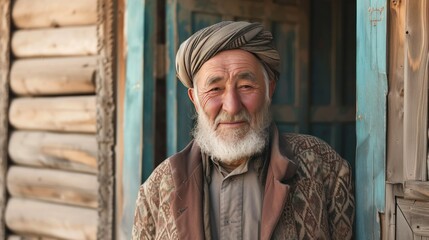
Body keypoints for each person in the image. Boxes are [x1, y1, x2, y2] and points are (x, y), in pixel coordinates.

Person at [132, 21, 354, 240]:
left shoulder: (323, 166)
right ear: (195, 99)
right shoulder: (156, 189)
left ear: (270, 90)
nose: (232, 106)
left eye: (246, 87)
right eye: (215, 89)